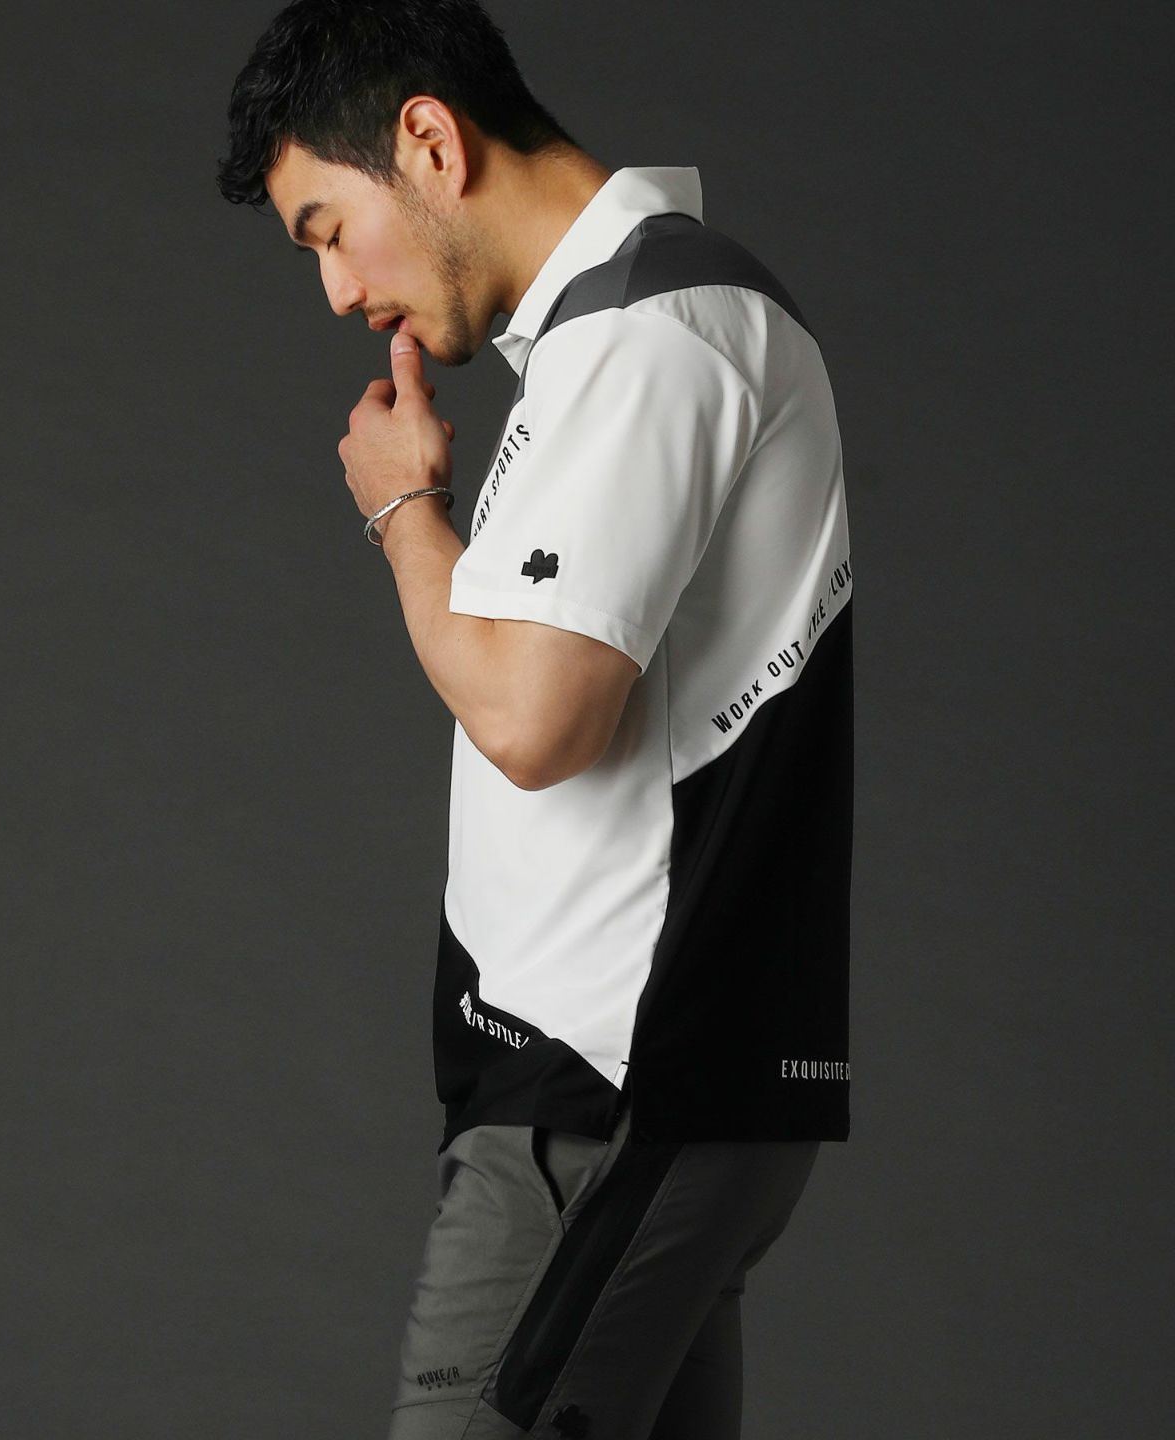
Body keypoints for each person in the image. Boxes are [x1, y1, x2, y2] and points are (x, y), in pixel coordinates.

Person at [217, 2, 854, 1435]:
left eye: (329, 229)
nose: (336, 290)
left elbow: (530, 716)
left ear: (428, 142)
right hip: (630, 1094)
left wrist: (402, 508)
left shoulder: (654, 336)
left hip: (605, 1098)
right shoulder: (610, 339)